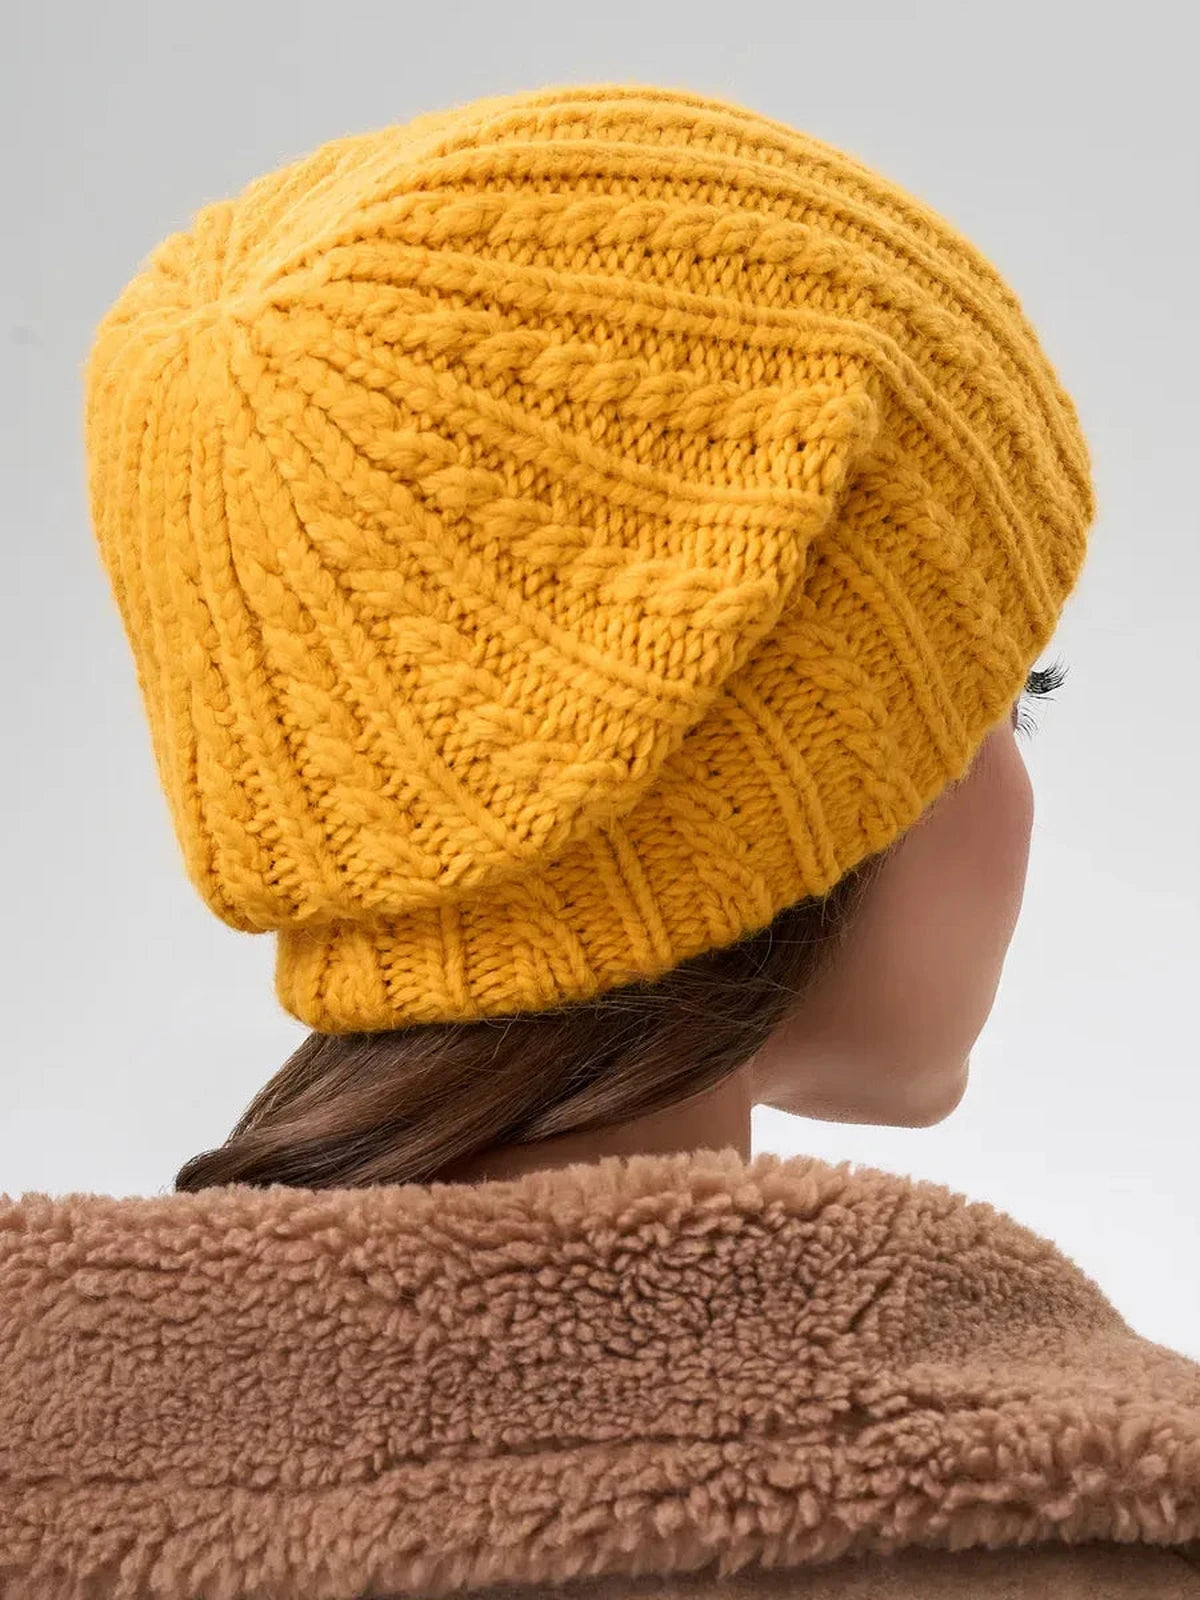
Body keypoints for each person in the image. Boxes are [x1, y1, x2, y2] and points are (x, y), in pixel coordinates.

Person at [1, 83, 1195, 1600]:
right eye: (1010, 696)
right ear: (789, 808)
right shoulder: (1079, 1536)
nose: (1020, 785)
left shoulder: (62, 1479)